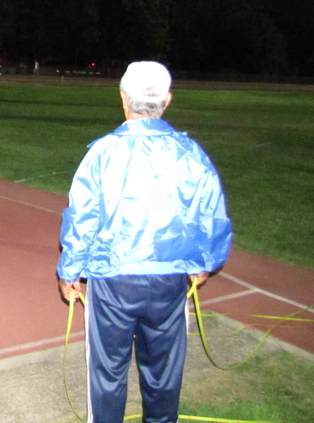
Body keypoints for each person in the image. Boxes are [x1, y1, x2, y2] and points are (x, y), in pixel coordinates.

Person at [56, 61, 232, 423]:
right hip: (168, 281)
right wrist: (204, 263)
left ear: (124, 99)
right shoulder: (190, 152)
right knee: (164, 373)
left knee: (107, 372)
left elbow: (82, 216)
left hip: (113, 280)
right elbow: (211, 212)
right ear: (167, 100)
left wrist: (69, 269)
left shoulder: (103, 152)